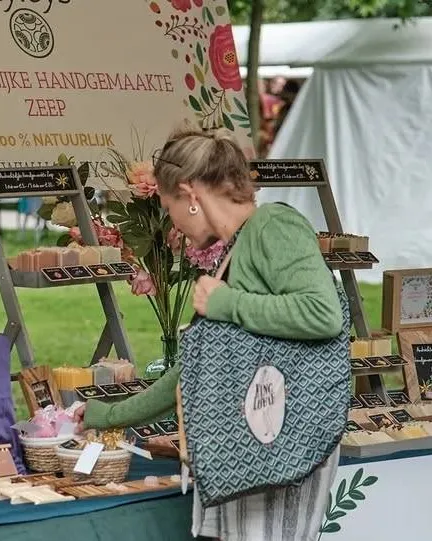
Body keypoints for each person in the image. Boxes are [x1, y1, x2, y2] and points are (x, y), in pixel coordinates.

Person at [74, 126, 344, 540]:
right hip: (251, 452)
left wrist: (225, 304)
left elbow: (323, 314)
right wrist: (106, 415)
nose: (173, 222)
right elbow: (192, 373)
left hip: (281, 449)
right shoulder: (234, 251)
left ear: (191, 194)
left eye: (169, 206)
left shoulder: (275, 226)